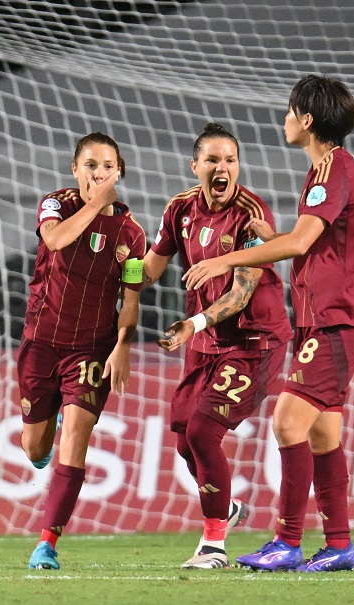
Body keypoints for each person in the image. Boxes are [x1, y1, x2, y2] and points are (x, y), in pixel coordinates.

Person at [184, 75, 354, 572]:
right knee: (322, 435)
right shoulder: (324, 171)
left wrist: (228, 260)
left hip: (336, 320)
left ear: (307, 120)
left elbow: (299, 244)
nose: (285, 119)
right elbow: (312, 242)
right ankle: (338, 545)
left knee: (288, 419)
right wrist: (276, 235)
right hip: (319, 320)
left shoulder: (333, 168)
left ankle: (287, 541)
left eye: (290, 111)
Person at [142, 123, 292, 569]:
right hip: (204, 340)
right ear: (196, 166)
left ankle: (213, 546)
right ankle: (223, 509)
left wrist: (194, 322)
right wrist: (110, 271)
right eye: (213, 160)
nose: (222, 167)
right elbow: (149, 269)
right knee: (185, 438)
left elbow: (242, 292)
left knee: (204, 431)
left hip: (253, 340)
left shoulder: (250, 212)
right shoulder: (180, 210)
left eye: (230, 160)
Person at [18, 132, 146, 570]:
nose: (99, 173)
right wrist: (93, 205)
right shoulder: (56, 204)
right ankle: (45, 426)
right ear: (75, 171)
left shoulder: (132, 234)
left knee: (76, 438)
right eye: (90, 165)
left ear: (119, 171)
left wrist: (123, 346)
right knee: (36, 448)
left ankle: (47, 543)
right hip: (43, 340)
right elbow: (54, 242)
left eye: (107, 166)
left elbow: (130, 298)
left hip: (91, 349)